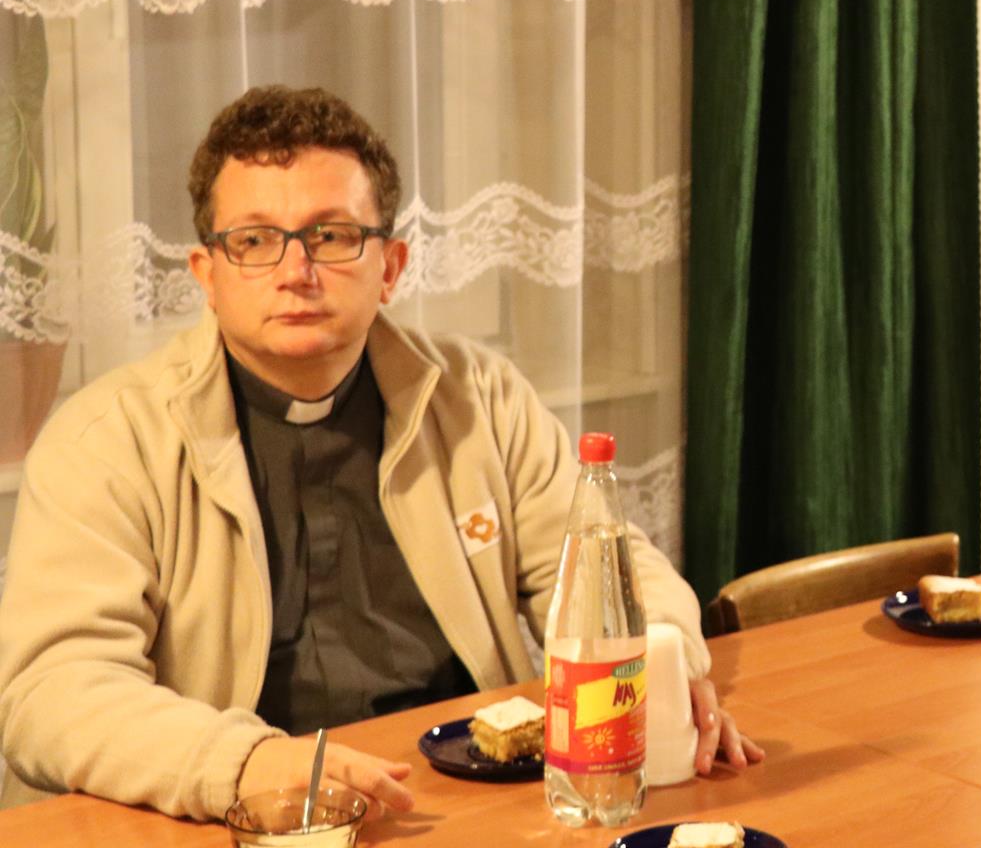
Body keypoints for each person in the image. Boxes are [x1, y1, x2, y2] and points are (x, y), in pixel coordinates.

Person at [0, 86, 764, 820]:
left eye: (331, 236)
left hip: (462, 797)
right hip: (238, 811)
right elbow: (50, 694)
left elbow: (613, 570)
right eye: (255, 241)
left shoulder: (481, 399)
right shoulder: (106, 442)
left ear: (390, 267)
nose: (295, 273)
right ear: (208, 274)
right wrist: (242, 763)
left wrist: (663, 667)